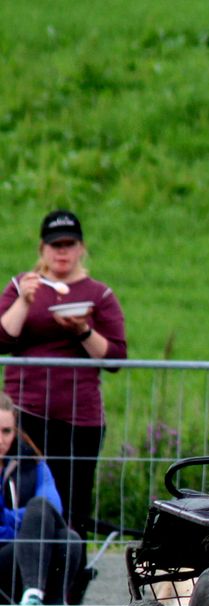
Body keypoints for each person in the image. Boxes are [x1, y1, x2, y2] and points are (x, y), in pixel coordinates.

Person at [0, 210, 128, 537]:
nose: (62, 251)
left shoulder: (99, 295)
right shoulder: (21, 286)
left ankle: (69, 582)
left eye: (69, 244)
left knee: (74, 506)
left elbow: (115, 357)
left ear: (81, 248)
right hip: (23, 416)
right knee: (20, 494)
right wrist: (25, 302)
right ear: (42, 248)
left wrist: (83, 330)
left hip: (79, 420)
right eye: (55, 244)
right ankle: (18, 576)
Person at [0, 392, 84, 606]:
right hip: (4, 560)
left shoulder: (32, 462)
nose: (1, 438)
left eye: (7, 431)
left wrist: (12, 520)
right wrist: (24, 523)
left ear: (16, 429)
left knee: (68, 540)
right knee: (40, 519)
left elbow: (51, 507)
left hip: (25, 559)